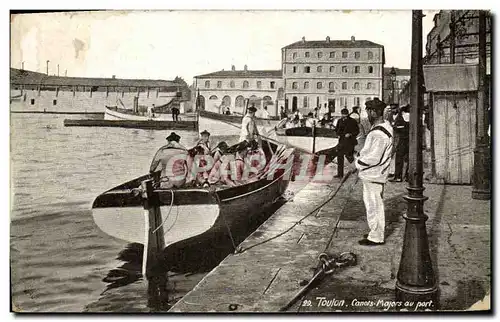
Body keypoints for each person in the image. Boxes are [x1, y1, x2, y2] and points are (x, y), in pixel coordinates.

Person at [353, 98, 394, 246]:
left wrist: (357, 162)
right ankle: (374, 231)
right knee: (374, 205)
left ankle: (376, 236)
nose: (367, 115)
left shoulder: (378, 133)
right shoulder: (385, 127)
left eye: (368, 111)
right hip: (375, 174)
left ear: (374, 112)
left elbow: (373, 157)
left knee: (374, 206)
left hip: (373, 174)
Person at [334, 108, 360, 178]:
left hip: (350, 142)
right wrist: (338, 134)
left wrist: (350, 134)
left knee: (349, 156)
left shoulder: (352, 121)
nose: (344, 116)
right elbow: (336, 130)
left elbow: (357, 131)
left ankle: (356, 167)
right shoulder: (339, 121)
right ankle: (340, 174)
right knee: (340, 157)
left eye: (345, 115)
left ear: (348, 114)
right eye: (343, 115)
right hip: (341, 141)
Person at [390, 105, 410, 182]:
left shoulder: (400, 117)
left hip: (402, 140)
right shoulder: (413, 118)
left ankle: (398, 176)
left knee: (399, 157)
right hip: (410, 141)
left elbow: (396, 127)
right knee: (408, 159)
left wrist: (398, 127)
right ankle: (407, 176)